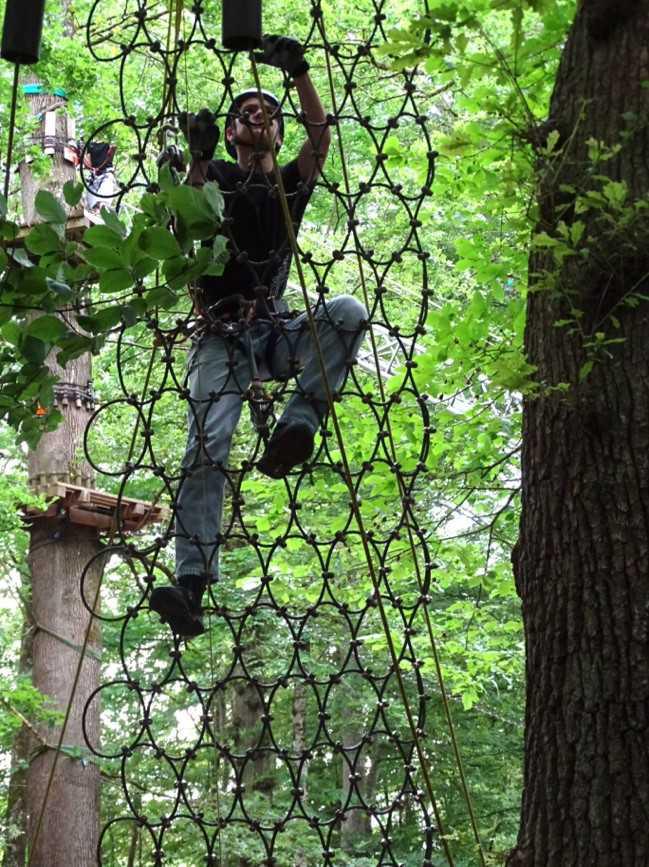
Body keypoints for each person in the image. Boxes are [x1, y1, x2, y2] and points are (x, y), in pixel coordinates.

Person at [150, 35, 367, 638]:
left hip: (272, 325)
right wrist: (195, 154)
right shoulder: (216, 174)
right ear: (231, 133)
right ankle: (191, 584)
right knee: (206, 443)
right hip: (220, 334)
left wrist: (298, 73)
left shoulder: (288, 185)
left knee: (346, 310)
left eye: (268, 111)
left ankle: (299, 423)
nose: (258, 115)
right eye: (247, 111)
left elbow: (320, 139)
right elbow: (188, 214)